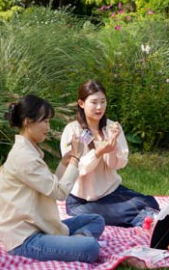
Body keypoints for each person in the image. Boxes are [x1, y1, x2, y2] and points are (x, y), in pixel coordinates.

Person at [0, 94, 106, 263]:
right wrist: (76, 159)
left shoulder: (29, 151)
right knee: (91, 248)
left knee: (96, 220)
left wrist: (65, 163)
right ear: (27, 122)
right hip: (25, 239)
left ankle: (70, 242)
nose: (48, 126)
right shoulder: (24, 158)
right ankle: (75, 243)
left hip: (41, 227)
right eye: (45, 121)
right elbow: (60, 193)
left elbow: (50, 185)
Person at [60, 80, 159, 227]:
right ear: (81, 103)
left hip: (111, 192)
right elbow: (78, 169)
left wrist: (112, 146)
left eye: (103, 101)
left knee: (149, 202)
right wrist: (99, 152)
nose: (99, 107)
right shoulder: (73, 131)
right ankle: (142, 219)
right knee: (123, 211)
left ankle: (142, 218)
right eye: (94, 102)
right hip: (83, 200)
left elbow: (115, 165)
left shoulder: (112, 127)